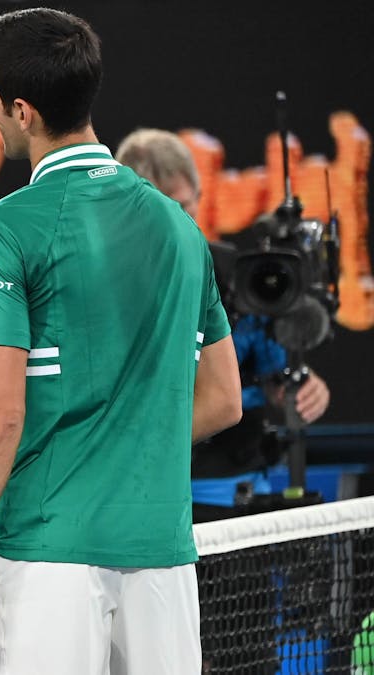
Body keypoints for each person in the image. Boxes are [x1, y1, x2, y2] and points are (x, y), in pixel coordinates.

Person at [0, 9, 243, 674]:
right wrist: (131, 437)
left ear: (22, 111)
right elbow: (223, 400)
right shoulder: (181, 230)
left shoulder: (5, 229)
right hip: (161, 553)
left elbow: (1, 412)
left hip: (49, 556)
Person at [117, 127, 332, 522]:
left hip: (234, 491)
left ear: (200, 199)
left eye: (185, 206)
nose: (178, 221)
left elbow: (275, 377)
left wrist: (301, 389)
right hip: (138, 497)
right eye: (165, 208)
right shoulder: (103, 285)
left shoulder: (237, 275)